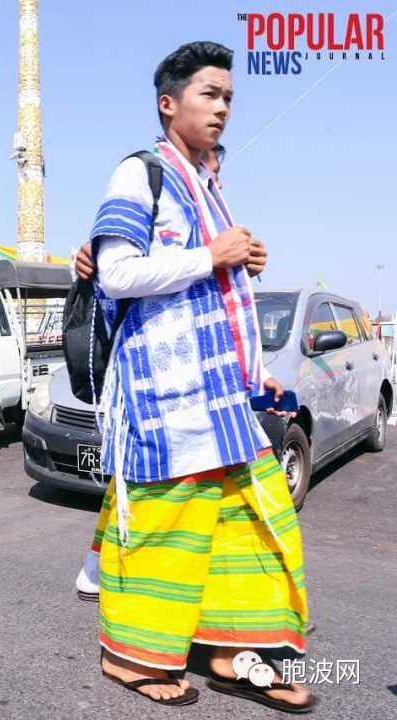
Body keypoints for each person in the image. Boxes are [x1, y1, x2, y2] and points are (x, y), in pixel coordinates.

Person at [85, 42, 312, 711]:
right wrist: (213, 253)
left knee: (254, 522)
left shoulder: (209, 185)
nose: (222, 108)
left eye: (229, 98)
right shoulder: (139, 173)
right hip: (166, 400)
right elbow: (117, 272)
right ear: (168, 103)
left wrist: (258, 372)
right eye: (209, 94)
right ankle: (128, 658)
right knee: (162, 534)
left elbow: (220, 303)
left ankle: (231, 654)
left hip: (222, 401)